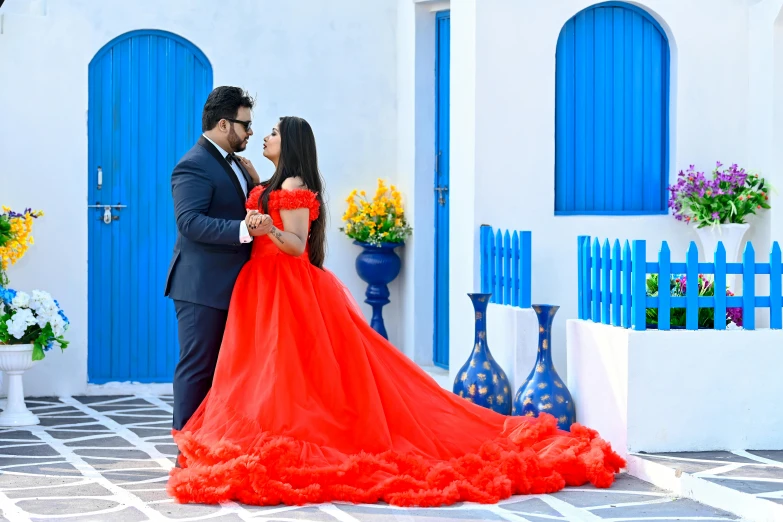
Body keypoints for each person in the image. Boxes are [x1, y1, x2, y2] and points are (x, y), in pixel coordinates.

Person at [167, 116, 625, 506]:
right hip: (260, 290)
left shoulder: (293, 184)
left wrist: (266, 226)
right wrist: (254, 186)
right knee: (260, 371)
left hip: (286, 287)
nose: (264, 136)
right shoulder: (263, 180)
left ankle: (288, 438)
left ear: (291, 144)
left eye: (272, 132)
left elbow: (296, 245)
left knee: (288, 371)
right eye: (259, 129)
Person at [164, 87, 272, 467]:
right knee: (198, 368)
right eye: (245, 125)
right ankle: (187, 453)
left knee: (227, 371)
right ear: (223, 123)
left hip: (234, 287)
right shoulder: (193, 164)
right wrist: (244, 230)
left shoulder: (236, 164)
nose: (251, 133)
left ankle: (215, 444)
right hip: (201, 287)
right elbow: (189, 223)